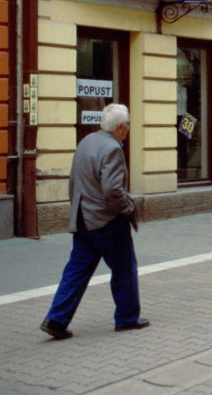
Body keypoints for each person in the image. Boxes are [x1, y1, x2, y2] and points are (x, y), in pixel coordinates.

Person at [41, 103, 148, 340]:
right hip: (106, 220)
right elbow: (112, 189)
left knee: (76, 271)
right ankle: (127, 318)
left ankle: (56, 319)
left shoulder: (86, 142)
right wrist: (128, 208)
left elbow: (74, 181)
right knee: (124, 268)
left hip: (82, 218)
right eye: (127, 125)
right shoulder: (113, 148)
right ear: (120, 127)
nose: (128, 129)